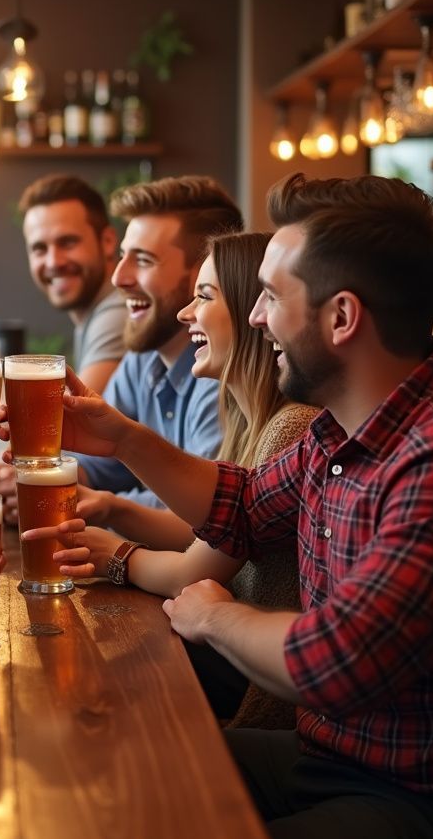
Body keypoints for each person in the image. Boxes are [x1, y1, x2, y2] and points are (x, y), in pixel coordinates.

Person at [32, 173, 433, 839]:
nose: (255, 316)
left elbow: (336, 657)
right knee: (106, 775)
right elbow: (242, 507)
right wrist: (120, 437)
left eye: (272, 296)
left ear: (343, 317)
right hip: (333, 756)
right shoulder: (337, 431)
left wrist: (213, 616)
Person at [23, 231, 318, 729]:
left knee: (91, 675)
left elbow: (193, 572)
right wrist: (114, 509)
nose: (185, 314)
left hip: (259, 685)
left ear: (253, 312)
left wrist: (116, 556)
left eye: (203, 297)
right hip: (237, 656)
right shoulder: (249, 420)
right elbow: (207, 530)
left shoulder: (291, 426)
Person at [0, 175, 240, 531]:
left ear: (203, 272)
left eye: (142, 260)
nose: (118, 278)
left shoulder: (223, 372)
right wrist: (47, 482)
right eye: (123, 256)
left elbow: (206, 511)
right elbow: (104, 463)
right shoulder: (145, 356)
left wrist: (97, 503)